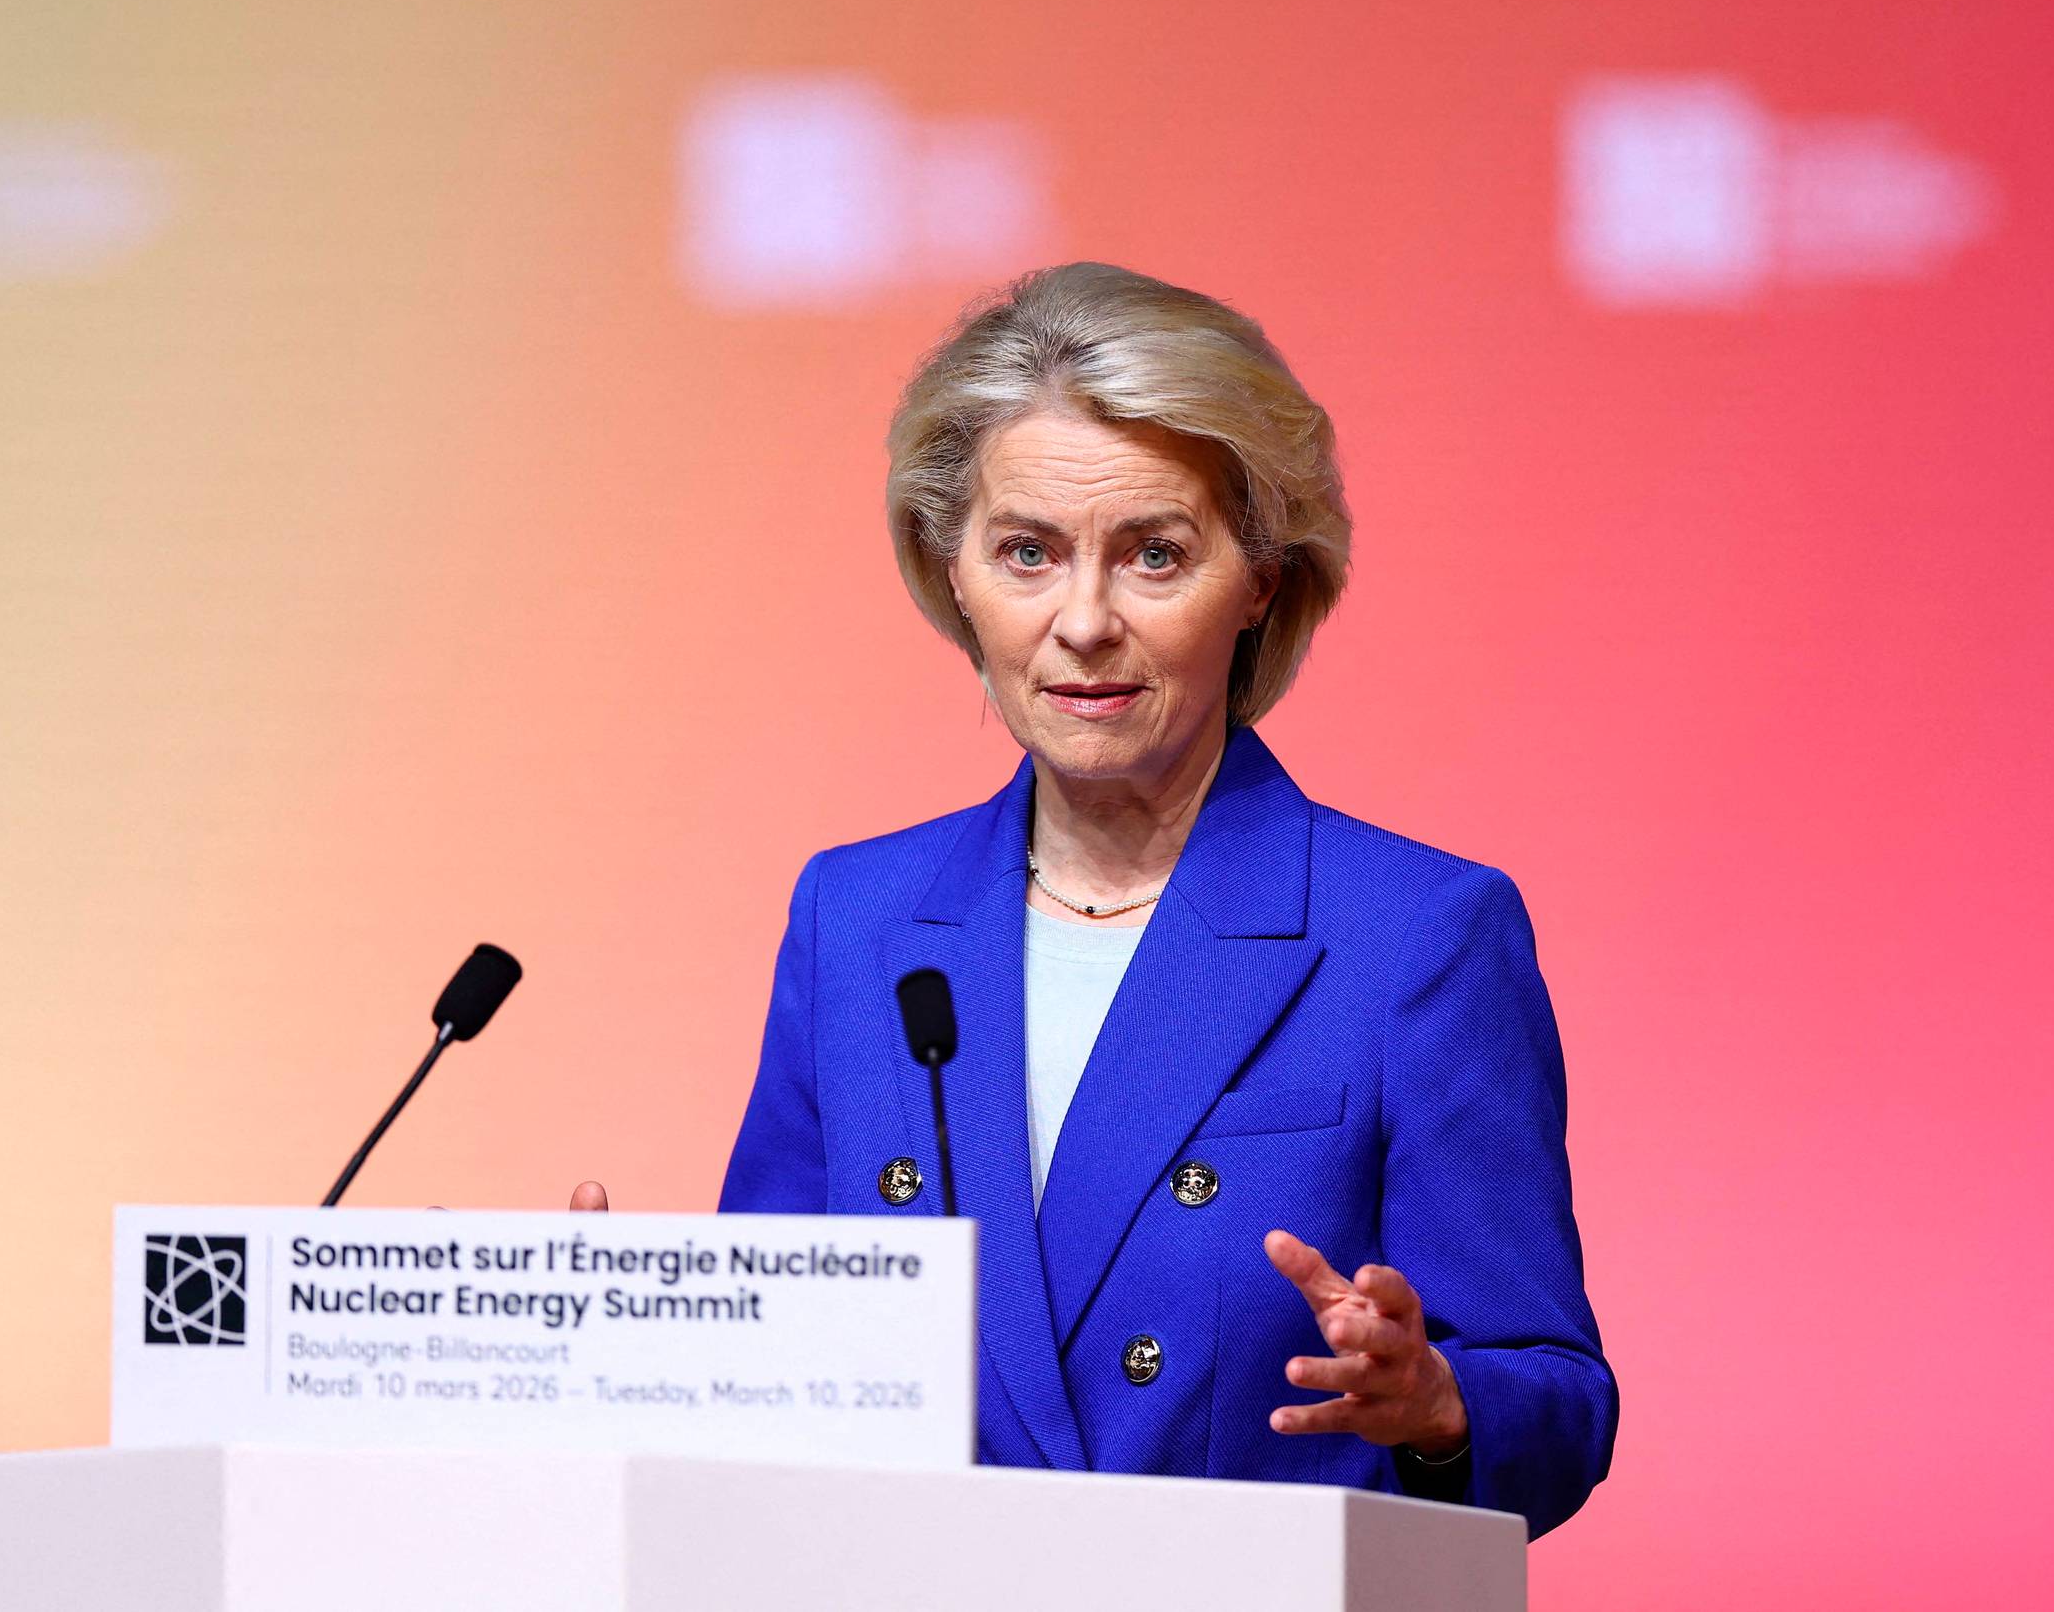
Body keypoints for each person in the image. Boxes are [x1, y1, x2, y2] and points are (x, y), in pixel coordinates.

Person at [585, 261, 1616, 1538]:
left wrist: (1439, 1403)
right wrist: (642, 1347)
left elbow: (1559, 1402)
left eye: (1154, 556)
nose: (1082, 621)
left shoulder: (1416, 936)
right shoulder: (855, 919)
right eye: (1027, 553)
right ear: (951, 572)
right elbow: (785, 1369)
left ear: (1261, 580)